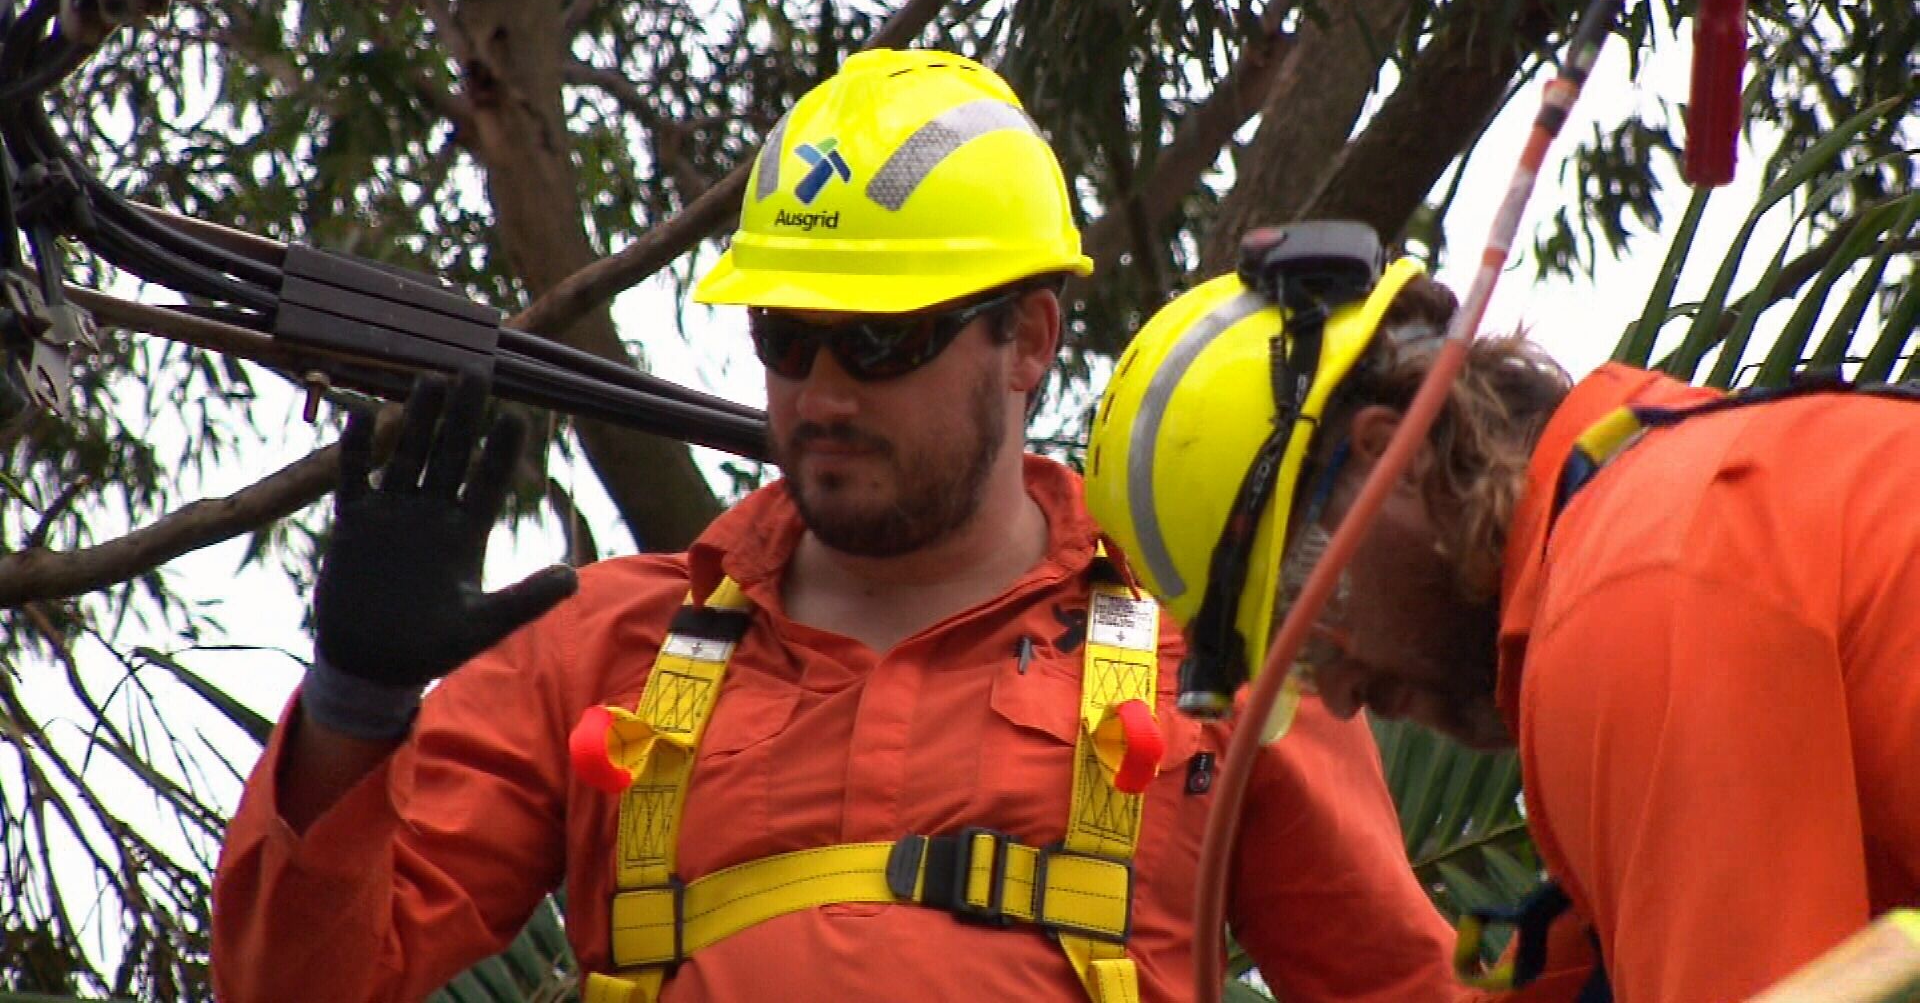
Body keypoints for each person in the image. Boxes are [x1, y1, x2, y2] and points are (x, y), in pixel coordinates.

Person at [213, 49, 1477, 1003]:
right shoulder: (606, 645)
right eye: (787, 337)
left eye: (880, 340)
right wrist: (356, 709)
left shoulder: (1206, 655)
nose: (821, 393)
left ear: (1026, 339)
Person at [1085, 243, 1920, 1002]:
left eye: (1308, 632)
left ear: (1387, 458)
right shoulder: (1674, 500)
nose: (1338, 699)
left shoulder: (1634, 587)